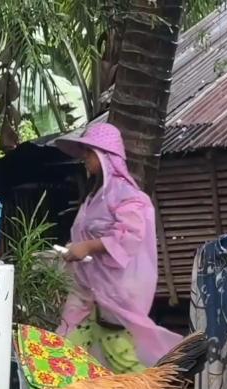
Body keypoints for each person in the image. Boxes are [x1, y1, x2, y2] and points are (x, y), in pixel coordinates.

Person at [53, 122, 183, 372]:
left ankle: (154, 388)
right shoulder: (94, 197)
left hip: (114, 292)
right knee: (70, 344)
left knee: (117, 352)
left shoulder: (127, 196)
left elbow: (130, 235)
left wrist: (88, 247)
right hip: (89, 290)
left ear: (105, 156)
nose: (85, 159)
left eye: (89, 153)